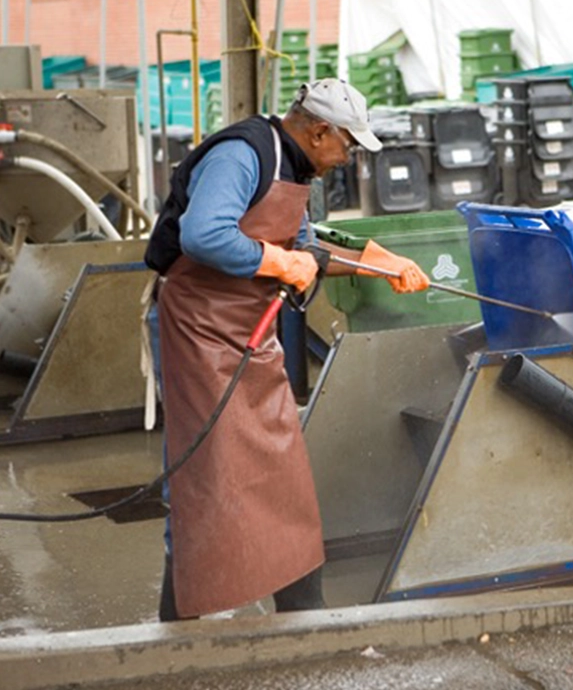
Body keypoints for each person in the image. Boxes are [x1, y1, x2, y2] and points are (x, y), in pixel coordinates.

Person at [143, 78, 429, 621]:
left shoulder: (295, 167)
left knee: (283, 475)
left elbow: (302, 249)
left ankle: (303, 613)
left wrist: (377, 262)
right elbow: (203, 236)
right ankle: (178, 626)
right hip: (199, 330)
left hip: (251, 334)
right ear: (320, 130)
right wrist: (279, 264)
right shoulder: (242, 154)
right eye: (347, 144)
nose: (346, 158)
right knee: (204, 479)